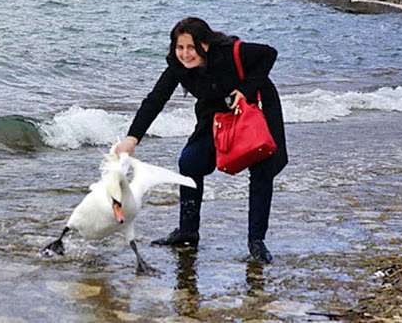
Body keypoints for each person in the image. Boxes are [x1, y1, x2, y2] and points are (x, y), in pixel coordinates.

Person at [114, 17, 287, 264]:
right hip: (214, 116)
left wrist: (245, 91)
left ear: (204, 44)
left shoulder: (229, 53)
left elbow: (269, 54)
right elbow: (155, 99)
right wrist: (133, 138)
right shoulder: (177, 65)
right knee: (190, 162)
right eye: (179, 47)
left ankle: (256, 241)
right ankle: (188, 232)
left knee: (261, 170)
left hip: (254, 111)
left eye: (190, 47)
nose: (185, 54)